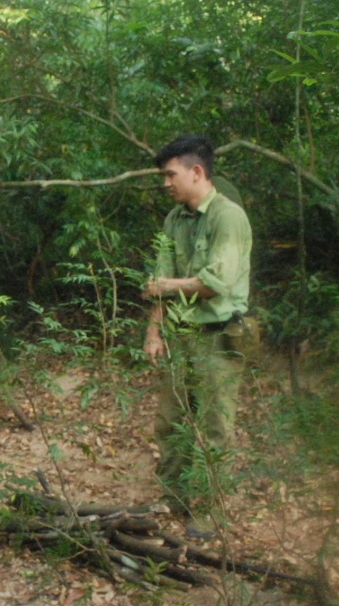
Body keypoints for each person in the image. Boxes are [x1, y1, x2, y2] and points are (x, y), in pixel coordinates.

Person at [141, 134, 252, 528]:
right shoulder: (174, 219)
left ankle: (207, 512)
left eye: (170, 175)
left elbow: (213, 284)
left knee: (215, 428)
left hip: (220, 339)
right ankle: (172, 501)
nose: (165, 183)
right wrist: (153, 333)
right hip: (180, 336)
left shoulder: (228, 217)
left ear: (196, 171)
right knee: (169, 424)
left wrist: (165, 287)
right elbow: (161, 277)